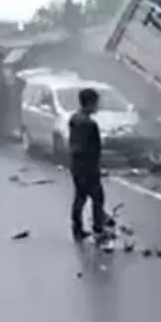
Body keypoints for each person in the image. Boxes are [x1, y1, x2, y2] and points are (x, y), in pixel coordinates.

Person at [68, 87, 106, 243]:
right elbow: (94, 149)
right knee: (98, 198)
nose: (98, 106)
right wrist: (97, 167)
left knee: (80, 197)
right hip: (88, 167)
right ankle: (98, 229)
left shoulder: (74, 119)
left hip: (76, 165)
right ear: (90, 103)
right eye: (96, 103)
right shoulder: (90, 124)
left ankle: (77, 228)